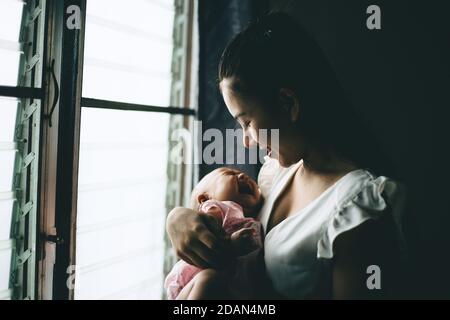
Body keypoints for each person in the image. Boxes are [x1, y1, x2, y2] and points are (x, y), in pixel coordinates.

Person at [166, 12, 406, 299]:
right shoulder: (275, 172)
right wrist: (178, 219)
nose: (245, 141)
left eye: (246, 122)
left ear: (288, 103)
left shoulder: (355, 209)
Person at [164, 167, 264, 300]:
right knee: (209, 281)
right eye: (231, 174)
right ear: (205, 199)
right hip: (195, 281)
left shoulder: (252, 219)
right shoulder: (217, 209)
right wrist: (230, 245)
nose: (243, 176)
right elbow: (211, 243)